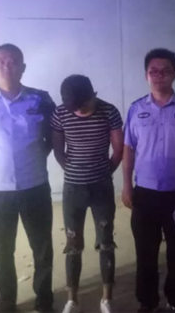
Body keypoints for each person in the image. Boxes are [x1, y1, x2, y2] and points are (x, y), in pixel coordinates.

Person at [122, 48, 175, 313]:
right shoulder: (136, 109)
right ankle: (147, 303)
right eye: (154, 71)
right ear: (146, 75)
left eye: (165, 71)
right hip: (145, 193)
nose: (159, 76)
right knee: (145, 253)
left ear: (174, 74)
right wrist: (126, 186)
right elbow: (128, 150)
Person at [0, 44, 56, 313]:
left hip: (35, 187)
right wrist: (1, 167)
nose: (7, 66)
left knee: (42, 248)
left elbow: (52, 138)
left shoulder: (41, 100)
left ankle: (44, 302)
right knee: (2, 250)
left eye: (13, 61)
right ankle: (6, 302)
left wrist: (31, 161)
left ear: (23, 67)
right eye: (1, 62)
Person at [51, 75, 124, 313]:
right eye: (74, 108)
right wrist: (74, 171)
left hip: (102, 188)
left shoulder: (109, 112)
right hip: (73, 190)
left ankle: (107, 299)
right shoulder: (60, 113)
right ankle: (72, 300)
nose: (78, 112)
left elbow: (118, 150)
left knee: (106, 242)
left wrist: (103, 172)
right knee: (73, 243)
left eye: (82, 107)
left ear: (93, 95)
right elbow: (58, 151)